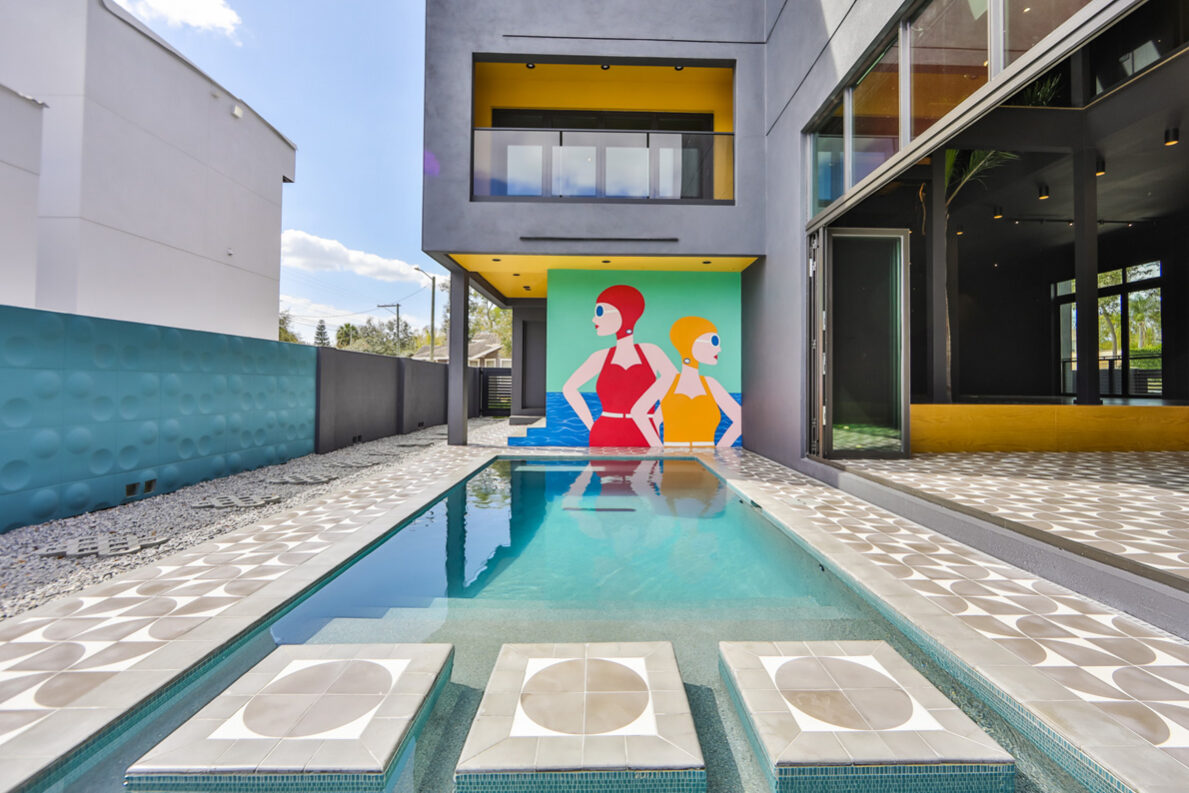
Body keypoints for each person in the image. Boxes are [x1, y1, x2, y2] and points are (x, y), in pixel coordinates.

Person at [561, 284, 674, 447]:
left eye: (600, 311)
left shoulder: (651, 352)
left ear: (624, 313)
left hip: (644, 435)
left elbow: (675, 384)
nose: (594, 319)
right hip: (604, 433)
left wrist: (655, 420)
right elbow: (569, 389)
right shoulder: (600, 357)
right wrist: (593, 427)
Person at [650, 316, 741, 448]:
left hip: (707, 456)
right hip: (673, 456)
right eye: (714, 341)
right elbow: (640, 413)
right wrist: (657, 447)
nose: (719, 349)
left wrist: (720, 449)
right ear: (690, 342)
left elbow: (739, 418)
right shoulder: (667, 383)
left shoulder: (711, 384)